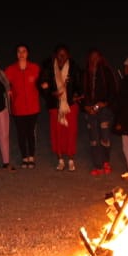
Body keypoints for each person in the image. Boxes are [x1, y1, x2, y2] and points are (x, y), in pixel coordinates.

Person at [39, 43, 82, 172]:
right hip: (55, 106)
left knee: (71, 132)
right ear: (55, 56)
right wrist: (52, 93)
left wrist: (76, 95)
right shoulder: (49, 68)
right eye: (59, 55)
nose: (61, 57)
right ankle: (60, 159)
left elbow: (80, 86)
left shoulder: (74, 68)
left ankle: (71, 159)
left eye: (64, 55)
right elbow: (42, 86)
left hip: (70, 106)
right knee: (57, 132)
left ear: (68, 55)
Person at [81, 47, 120, 175]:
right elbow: (80, 94)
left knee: (105, 136)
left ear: (100, 58)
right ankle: (97, 165)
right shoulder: (85, 73)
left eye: (96, 57)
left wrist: (104, 103)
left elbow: (113, 91)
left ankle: (105, 162)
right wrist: (85, 107)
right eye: (92, 58)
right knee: (94, 138)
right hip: (90, 111)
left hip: (104, 110)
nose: (94, 60)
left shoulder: (106, 72)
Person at [3, 43, 42, 168]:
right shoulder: (10, 70)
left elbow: (42, 82)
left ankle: (32, 156)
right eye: (19, 51)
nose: (21, 54)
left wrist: (44, 86)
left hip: (32, 107)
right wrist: (7, 89)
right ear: (16, 54)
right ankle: (24, 157)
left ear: (28, 53)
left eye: (24, 51)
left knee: (30, 132)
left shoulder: (35, 68)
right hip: (18, 108)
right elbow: (3, 83)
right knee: (21, 133)